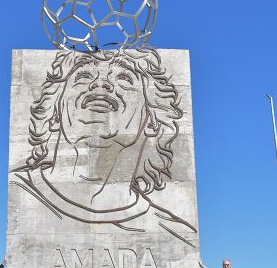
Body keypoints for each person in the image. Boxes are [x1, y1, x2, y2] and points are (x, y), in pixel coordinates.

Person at [11, 46, 197, 247]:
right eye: (83, 76)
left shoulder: (177, 236)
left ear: (152, 121)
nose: (101, 84)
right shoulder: (18, 191)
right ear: (54, 115)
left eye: (124, 78)